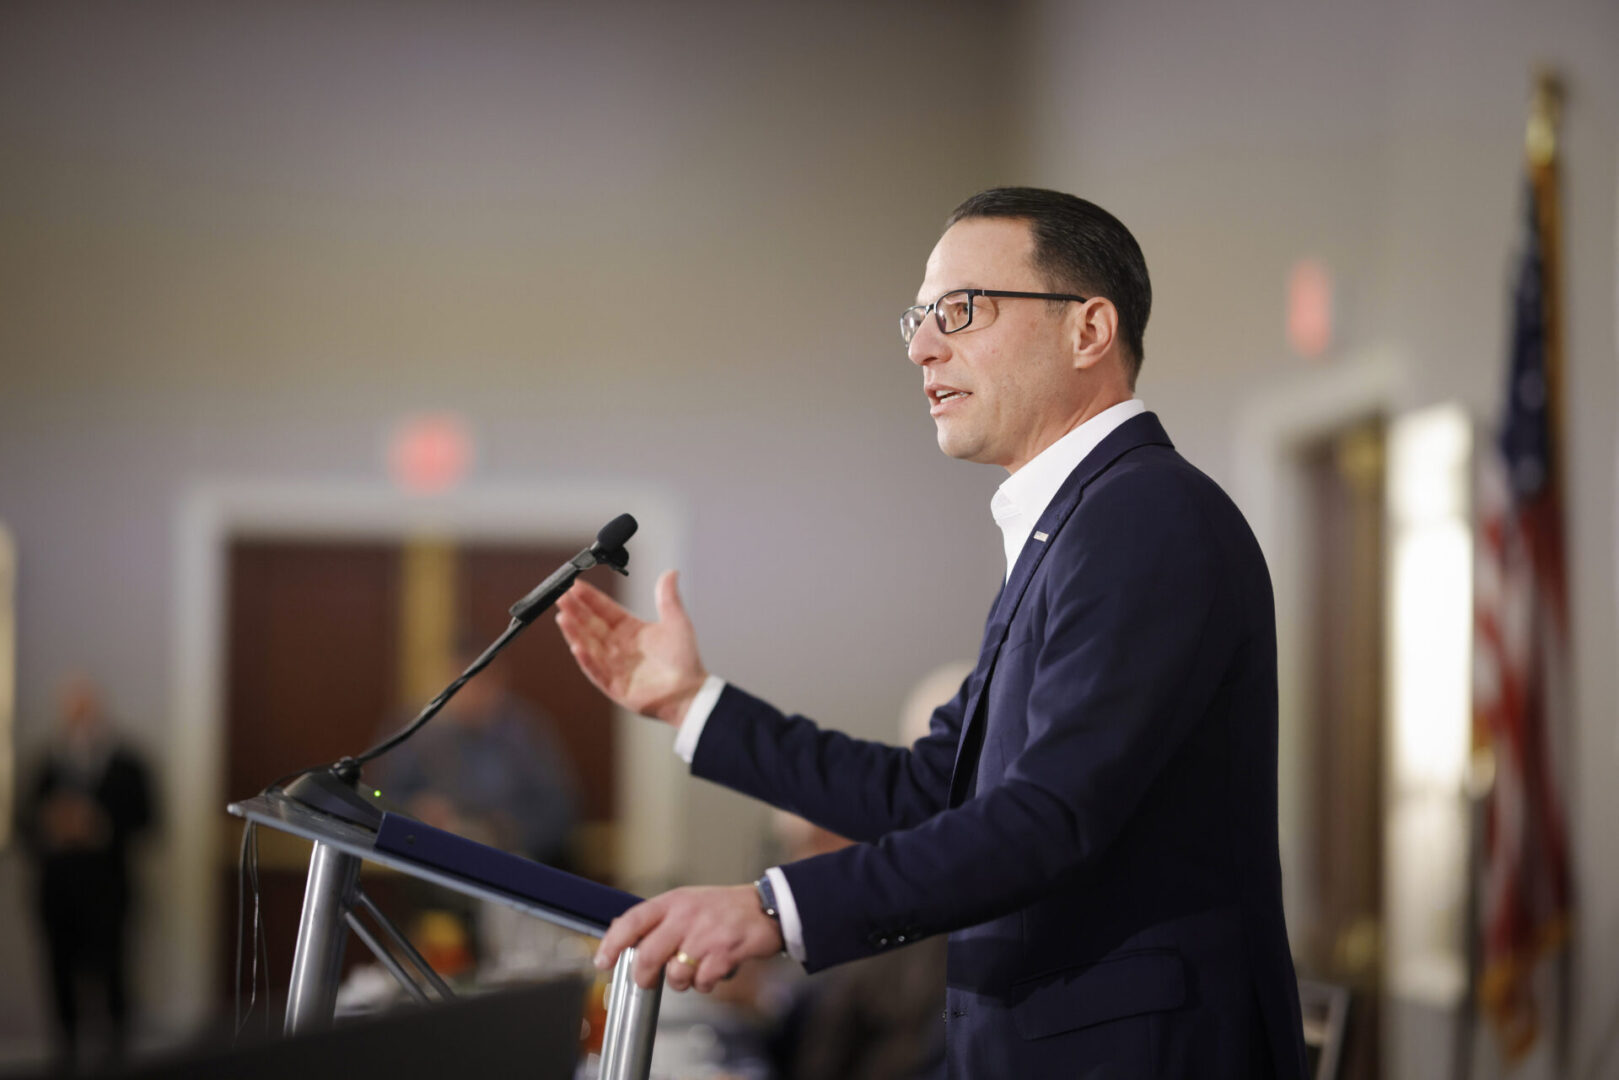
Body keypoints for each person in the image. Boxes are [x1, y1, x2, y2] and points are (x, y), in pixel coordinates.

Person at [556, 187, 1309, 1078]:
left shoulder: (1146, 517)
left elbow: (1049, 819)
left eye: (961, 310)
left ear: (1088, 330)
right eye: (919, 317)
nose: (921, 347)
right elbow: (932, 789)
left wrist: (771, 908)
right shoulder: (1071, 528)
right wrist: (691, 705)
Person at [21, 675, 155, 1071]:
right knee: (60, 981)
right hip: (58, 895)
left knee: (114, 981)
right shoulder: (46, 764)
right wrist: (55, 825)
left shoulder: (128, 764)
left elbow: (149, 819)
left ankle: (119, 1059)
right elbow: (24, 822)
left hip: (109, 894)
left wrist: (100, 826)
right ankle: (66, 1059)